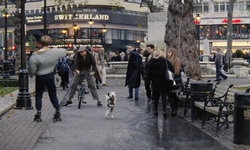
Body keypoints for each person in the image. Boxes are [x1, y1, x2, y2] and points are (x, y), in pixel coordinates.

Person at [28, 35, 67, 121]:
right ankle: (57, 111)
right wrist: (56, 49)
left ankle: (38, 113)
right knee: (53, 94)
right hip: (50, 75)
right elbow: (64, 51)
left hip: (40, 76)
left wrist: (32, 74)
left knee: (38, 95)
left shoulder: (35, 55)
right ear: (50, 43)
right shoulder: (54, 52)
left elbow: (31, 67)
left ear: (40, 43)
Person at [148, 49, 174, 118]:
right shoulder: (165, 61)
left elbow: (148, 73)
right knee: (163, 96)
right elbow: (172, 69)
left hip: (154, 81)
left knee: (156, 96)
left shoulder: (151, 62)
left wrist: (149, 81)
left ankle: (155, 110)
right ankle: (164, 110)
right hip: (163, 81)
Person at [166, 47, 183, 116]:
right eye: (167, 52)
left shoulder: (169, 61)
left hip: (171, 81)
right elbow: (182, 70)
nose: (168, 54)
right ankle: (175, 109)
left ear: (173, 53)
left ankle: (173, 109)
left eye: (169, 52)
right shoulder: (179, 60)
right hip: (178, 81)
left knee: (171, 96)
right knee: (175, 96)